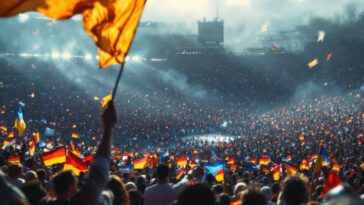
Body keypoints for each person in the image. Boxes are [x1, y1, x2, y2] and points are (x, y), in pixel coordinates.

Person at [39, 101, 117, 205]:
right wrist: (108, 127)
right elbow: (99, 172)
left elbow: (99, 169)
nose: (78, 187)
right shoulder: (80, 202)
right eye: (75, 184)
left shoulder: (43, 203)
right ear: (71, 187)